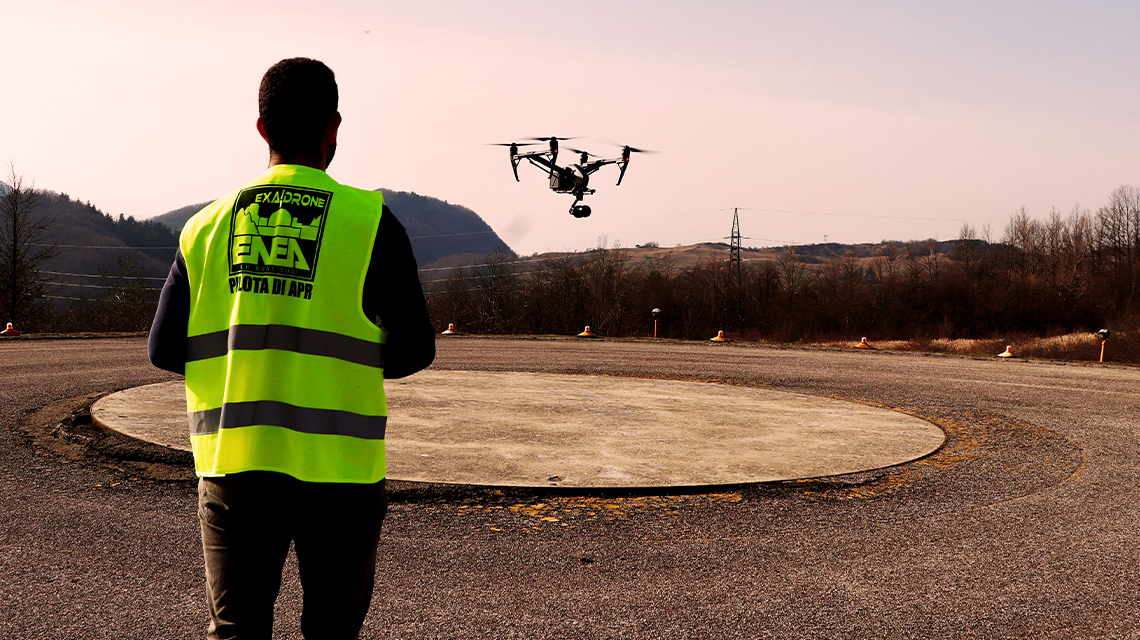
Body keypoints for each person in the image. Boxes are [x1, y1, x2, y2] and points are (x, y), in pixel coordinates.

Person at [148, 57, 435, 639]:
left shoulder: (205, 227)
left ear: (261, 129)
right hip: (341, 472)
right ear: (333, 126)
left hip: (236, 463)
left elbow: (163, 349)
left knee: (237, 630)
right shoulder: (371, 221)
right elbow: (414, 352)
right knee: (332, 631)